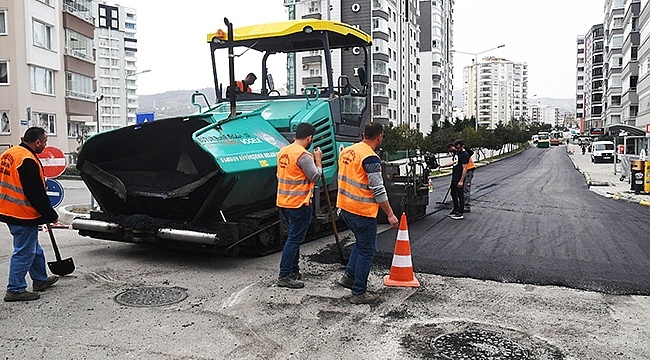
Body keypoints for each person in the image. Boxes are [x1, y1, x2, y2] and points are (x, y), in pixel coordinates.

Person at [336, 122, 399, 304]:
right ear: (379, 137)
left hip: (345, 207)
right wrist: (389, 214)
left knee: (361, 244)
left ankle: (349, 276)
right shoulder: (370, 158)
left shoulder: (347, 151)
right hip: (361, 211)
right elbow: (378, 189)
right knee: (367, 251)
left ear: (363, 134)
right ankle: (359, 292)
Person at [0, 127, 59, 302]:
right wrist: (50, 214)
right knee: (25, 251)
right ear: (37, 142)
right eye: (45, 142)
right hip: (22, 212)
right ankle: (15, 289)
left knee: (33, 246)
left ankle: (40, 279)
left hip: (7, 208)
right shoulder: (27, 160)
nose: (46, 145)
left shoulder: (10, 153)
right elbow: (36, 193)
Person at [275, 123, 322, 289]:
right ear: (309, 138)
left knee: (292, 238)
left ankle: (294, 270)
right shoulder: (303, 155)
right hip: (299, 204)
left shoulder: (283, 152)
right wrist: (318, 160)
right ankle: (284, 275)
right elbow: (315, 176)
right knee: (294, 240)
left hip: (284, 202)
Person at [454, 140, 475, 213]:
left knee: (466, 188)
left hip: (469, 169)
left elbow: (471, 153)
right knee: (461, 188)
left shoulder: (465, 153)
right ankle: (462, 204)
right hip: (463, 170)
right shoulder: (457, 153)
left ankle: (466, 206)